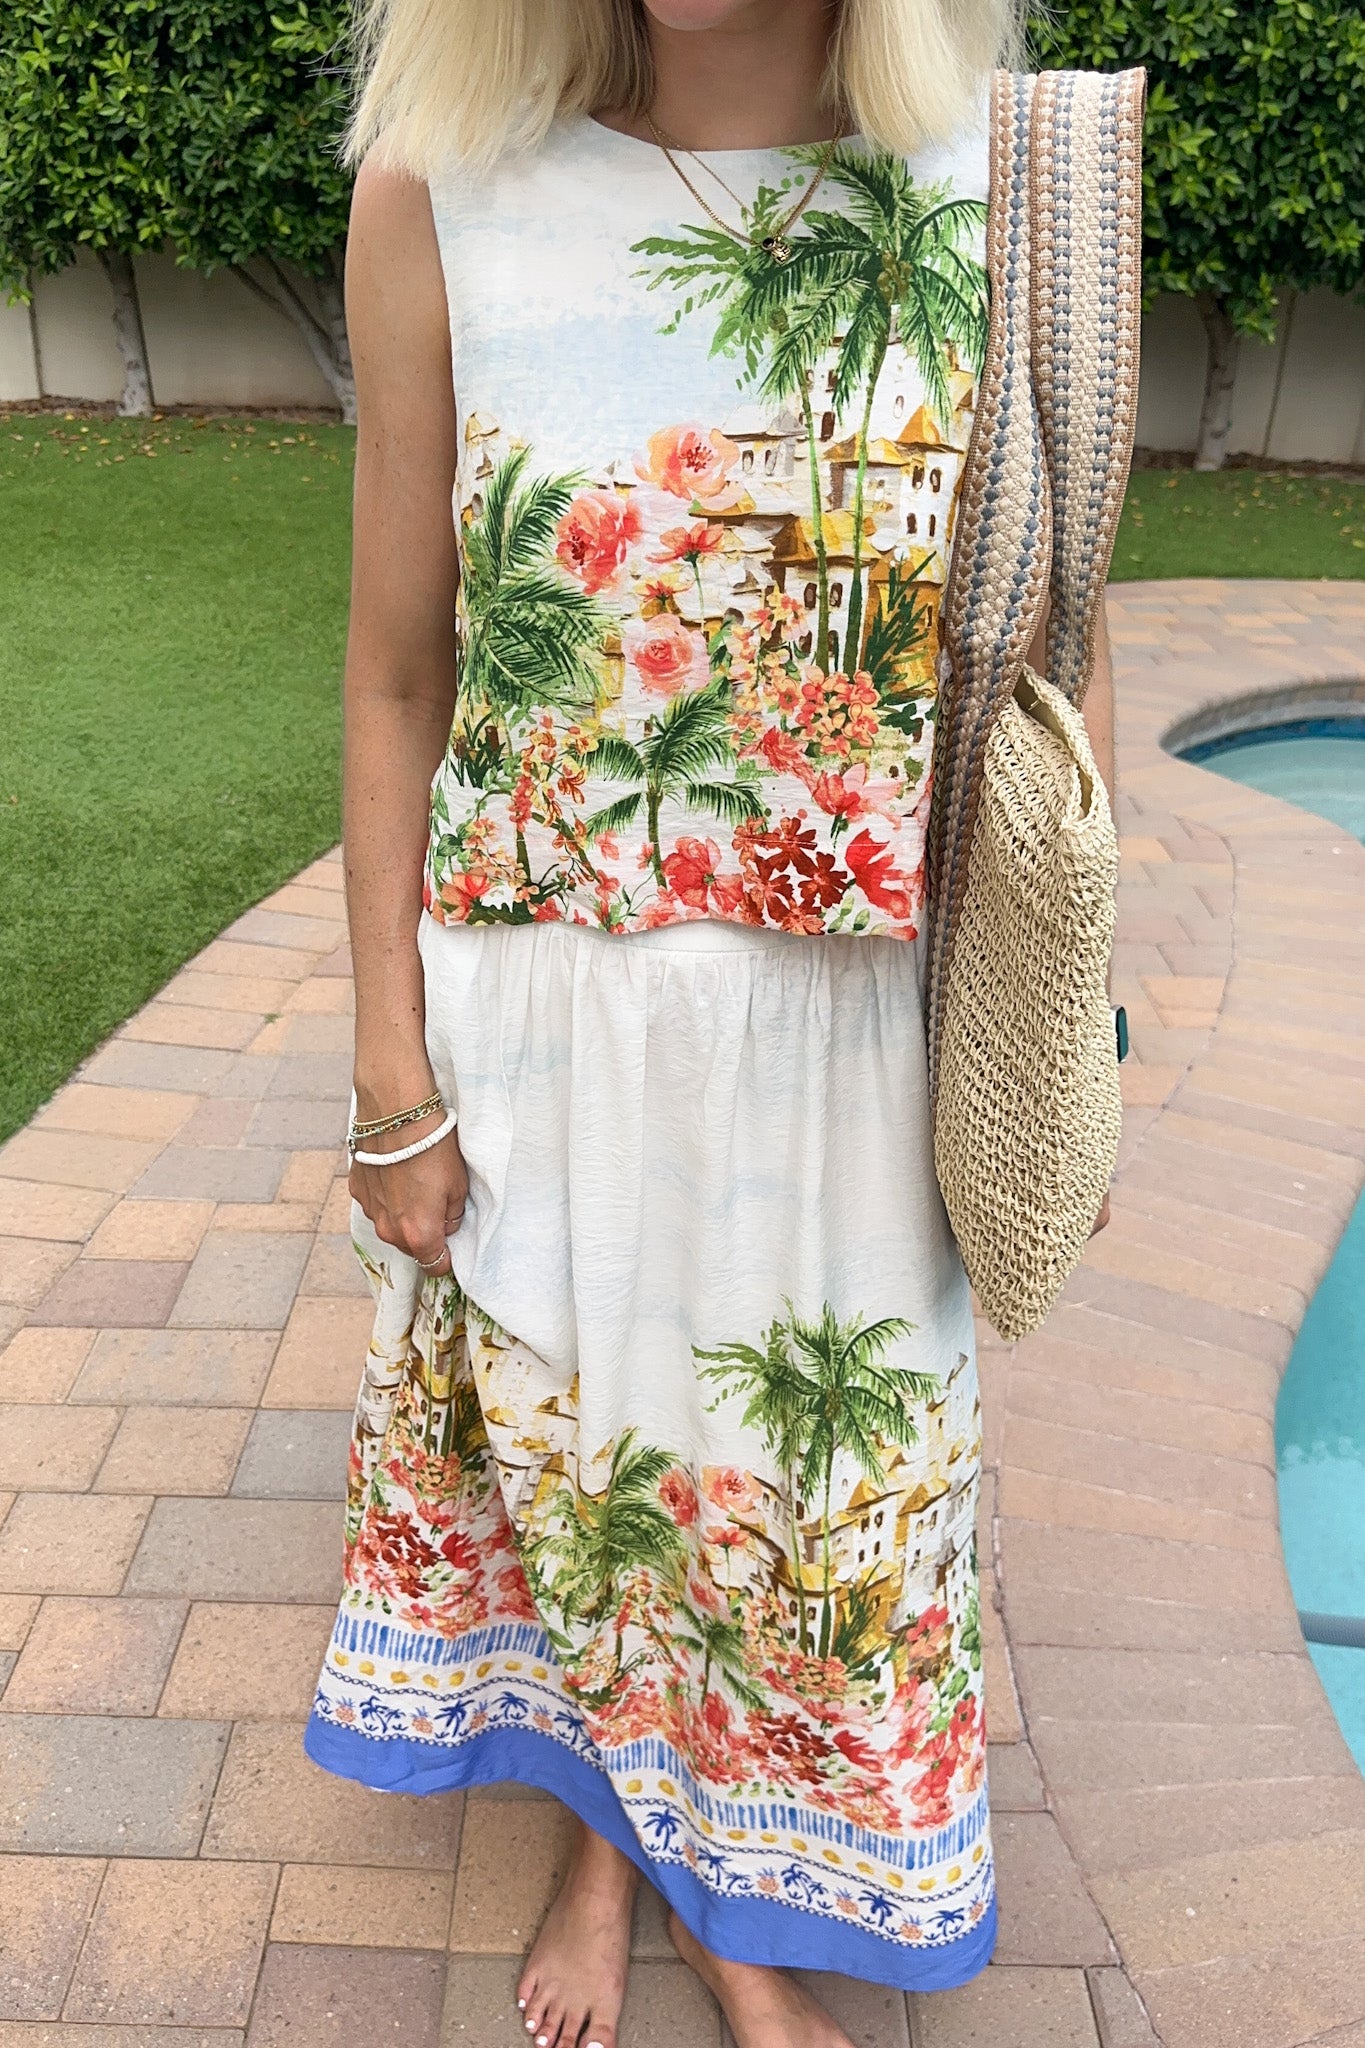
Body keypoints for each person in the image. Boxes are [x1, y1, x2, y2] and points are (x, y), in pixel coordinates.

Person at [304, 4, 1118, 2045]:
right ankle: (641, 1863)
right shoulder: (437, 195)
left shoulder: (995, 198)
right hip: (538, 1000)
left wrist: (1065, 993)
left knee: (786, 1487)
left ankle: (697, 1874)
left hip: (846, 1025)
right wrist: (388, 1069)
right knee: (591, 1476)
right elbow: (399, 668)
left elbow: (1054, 639)